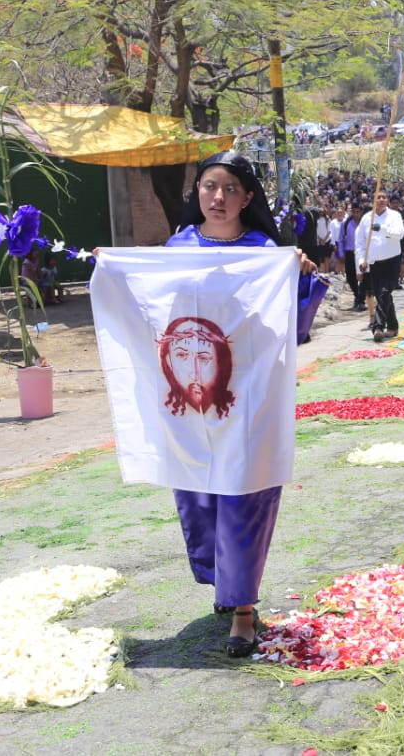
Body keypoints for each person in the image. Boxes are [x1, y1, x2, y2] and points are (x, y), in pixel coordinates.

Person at [163, 151, 315, 657]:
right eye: (209, 186)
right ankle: (225, 584)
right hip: (192, 402)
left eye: (230, 188)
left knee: (245, 497)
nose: (218, 197)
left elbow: (291, 327)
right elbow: (151, 309)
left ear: (248, 197)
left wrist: (299, 275)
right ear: (198, 193)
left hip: (248, 398)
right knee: (200, 495)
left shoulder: (264, 252)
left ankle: (244, 611)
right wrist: (115, 271)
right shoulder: (176, 248)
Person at [354, 189, 404, 342]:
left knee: (383, 293)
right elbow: (360, 243)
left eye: (384, 197)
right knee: (382, 295)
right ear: (373, 201)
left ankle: (377, 327)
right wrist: (361, 262)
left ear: (387, 200)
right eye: (378, 197)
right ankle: (393, 326)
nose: (381, 200)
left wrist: (381, 229)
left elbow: (399, 234)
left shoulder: (395, 215)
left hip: (392, 261)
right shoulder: (365, 219)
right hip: (375, 263)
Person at [338, 202, 365, 310]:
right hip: (350, 253)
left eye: (358, 212)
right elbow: (340, 240)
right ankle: (357, 296)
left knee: (364, 277)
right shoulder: (345, 224)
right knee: (350, 277)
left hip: (363, 254)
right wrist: (341, 253)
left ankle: (361, 300)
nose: (355, 214)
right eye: (353, 212)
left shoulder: (365, 223)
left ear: (361, 212)